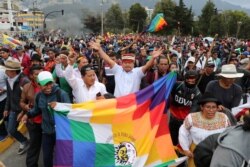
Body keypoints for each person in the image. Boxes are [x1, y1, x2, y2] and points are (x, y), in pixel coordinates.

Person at [21, 71, 71, 167]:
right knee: (47, 159)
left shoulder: (61, 94)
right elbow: (36, 110)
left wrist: (59, 107)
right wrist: (27, 115)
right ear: (39, 85)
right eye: (45, 85)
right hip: (46, 132)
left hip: (60, 133)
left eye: (50, 83)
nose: (49, 87)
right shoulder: (39, 96)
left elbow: (69, 112)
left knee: (62, 158)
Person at [89, 41, 163, 97]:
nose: (127, 64)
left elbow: (147, 66)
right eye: (125, 62)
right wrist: (99, 50)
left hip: (132, 105)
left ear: (133, 64)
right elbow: (108, 60)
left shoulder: (137, 72)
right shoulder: (117, 70)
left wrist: (153, 58)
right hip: (118, 104)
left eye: (130, 62)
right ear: (122, 63)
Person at [178, 92, 230, 167]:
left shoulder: (223, 118)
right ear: (202, 107)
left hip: (217, 153)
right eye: (208, 107)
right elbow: (183, 132)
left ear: (217, 108)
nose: (211, 110)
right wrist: (186, 149)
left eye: (214, 107)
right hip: (196, 152)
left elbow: (229, 134)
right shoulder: (192, 118)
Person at [1, 58, 30, 154]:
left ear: (13, 71)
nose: (5, 71)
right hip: (14, 109)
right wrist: (6, 108)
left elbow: (29, 99)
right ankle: (24, 141)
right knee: (11, 130)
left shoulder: (24, 81)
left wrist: (24, 113)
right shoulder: (8, 79)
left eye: (7, 69)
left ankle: (35, 144)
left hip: (25, 110)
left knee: (31, 129)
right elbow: (9, 95)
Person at [19, 65, 43, 167]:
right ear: (31, 76)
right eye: (36, 74)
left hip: (47, 122)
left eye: (40, 74)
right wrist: (26, 107)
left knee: (51, 147)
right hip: (33, 122)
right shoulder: (26, 87)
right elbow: (21, 102)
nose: (39, 76)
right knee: (34, 145)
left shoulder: (50, 85)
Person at [169, 70, 201, 146]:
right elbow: (169, 93)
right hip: (172, 116)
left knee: (182, 140)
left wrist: (187, 122)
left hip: (184, 120)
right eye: (189, 78)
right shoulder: (177, 85)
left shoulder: (198, 94)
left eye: (193, 78)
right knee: (171, 137)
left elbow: (194, 109)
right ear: (185, 78)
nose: (191, 80)